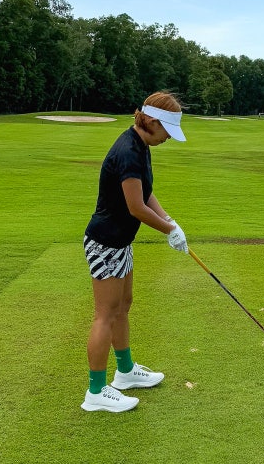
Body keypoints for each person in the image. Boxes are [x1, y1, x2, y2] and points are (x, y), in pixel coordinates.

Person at [81, 91, 189, 413]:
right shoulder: (128, 151)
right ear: (152, 121)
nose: (168, 137)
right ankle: (96, 392)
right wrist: (169, 231)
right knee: (105, 315)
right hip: (105, 243)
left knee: (123, 306)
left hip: (121, 242)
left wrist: (170, 220)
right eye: (167, 130)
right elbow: (136, 207)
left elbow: (146, 193)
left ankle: (125, 372)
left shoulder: (142, 146)